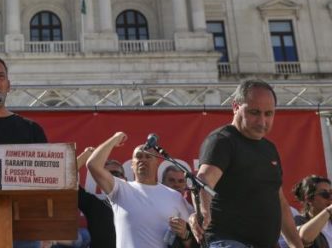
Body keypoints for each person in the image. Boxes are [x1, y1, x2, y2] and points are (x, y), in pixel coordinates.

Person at [191, 79, 303, 248]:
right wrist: (203, 211)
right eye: (254, 112)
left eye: (268, 114)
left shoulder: (269, 148)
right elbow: (203, 181)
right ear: (235, 107)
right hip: (229, 242)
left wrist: (297, 245)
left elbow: (279, 202)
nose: (262, 121)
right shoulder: (222, 140)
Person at [87, 132, 193, 248]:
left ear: (157, 164)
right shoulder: (120, 189)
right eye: (138, 156)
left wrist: (184, 234)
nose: (143, 159)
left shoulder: (174, 196)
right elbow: (93, 164)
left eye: (148, 156)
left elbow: (194, 237)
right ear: (132, 164)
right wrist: (114, 139)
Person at [74, 148, 124, 248]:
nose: (110, 177)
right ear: (100, 181)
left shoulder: (140, 203)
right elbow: (64, 178)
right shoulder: (94, 205)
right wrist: (85, 156)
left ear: (125, 179)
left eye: (115, 174)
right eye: (104, 175)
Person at [291, 175, 332, 247]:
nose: (330, 197)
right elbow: (304, 238)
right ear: (309, 199)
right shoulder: (299, 220)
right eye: (325, 194)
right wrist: (329, 210)